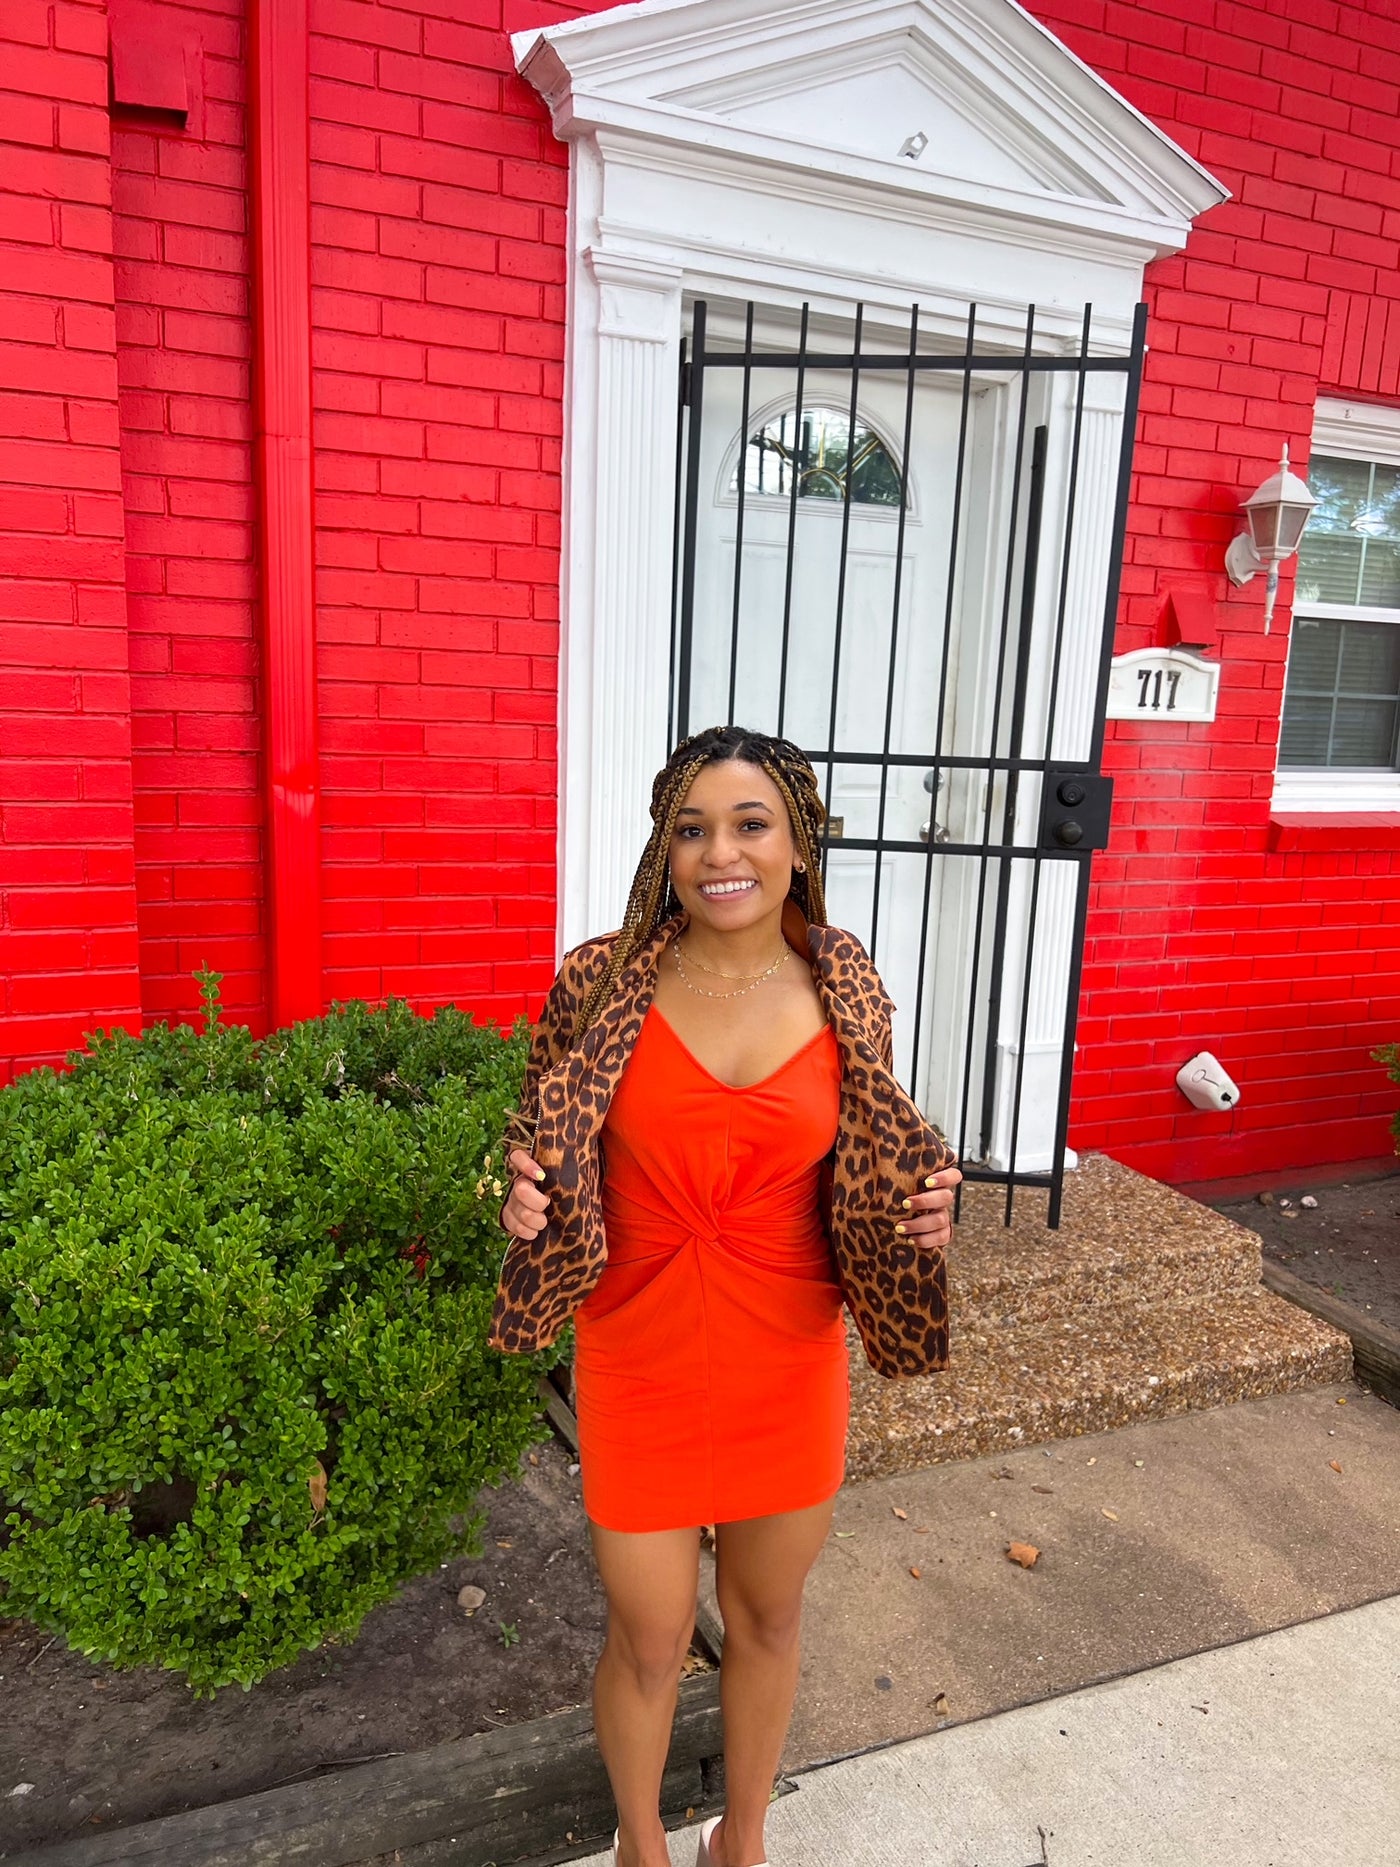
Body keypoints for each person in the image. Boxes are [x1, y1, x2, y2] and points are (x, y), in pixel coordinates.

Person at [492, 725, 962, 1867]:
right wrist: (516, 1192)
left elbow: (877, 1146)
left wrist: (924, 1205)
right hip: (637, 1341)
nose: (721, 853)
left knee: (765, 1617)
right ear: (666, 847)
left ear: (798, 844)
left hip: (785, 1346)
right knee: (650, 1636)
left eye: (751, 824)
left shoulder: (846, 983)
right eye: (692, 828)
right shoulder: (600, 981)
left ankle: (739, 1841)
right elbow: (535, 1137)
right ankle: (641, 1846)